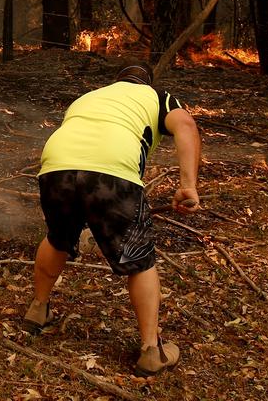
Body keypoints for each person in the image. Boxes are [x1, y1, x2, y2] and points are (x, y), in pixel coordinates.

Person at [22, 63, 201, 377]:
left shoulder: (90, 97)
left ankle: (38, 309)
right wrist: (188, 185)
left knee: (58, 237)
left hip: (56, 166)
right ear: (146, 82)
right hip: (111, 170)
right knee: (139, 260)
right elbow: (185, 125)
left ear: (117, 81)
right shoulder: (157, 96)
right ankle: (150, 350)